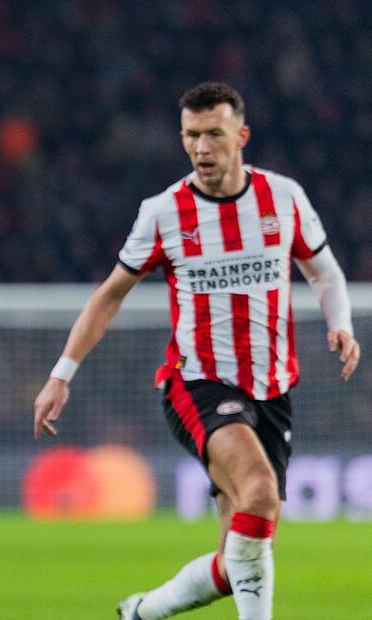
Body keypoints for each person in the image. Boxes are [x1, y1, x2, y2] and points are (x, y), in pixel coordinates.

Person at [31, 83, 360, 620]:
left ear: (241, 136)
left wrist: (340, 324)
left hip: (273, 391)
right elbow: (109, 296)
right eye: (191, 136)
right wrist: (61, 374)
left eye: (214, 134)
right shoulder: (164, 212)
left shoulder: (283, 198)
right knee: (260, 492)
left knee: (240, 561)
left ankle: (141, 611)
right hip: (198, 382)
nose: (202, 147)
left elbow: (324, 272)